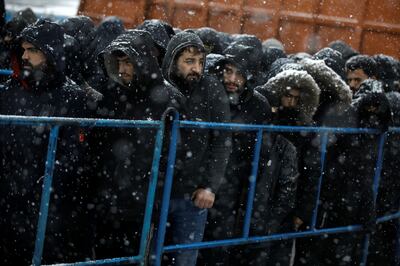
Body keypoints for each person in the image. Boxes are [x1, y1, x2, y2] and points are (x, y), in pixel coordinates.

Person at [0, 19, 91, 265]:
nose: (26, 55)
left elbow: (73, 152)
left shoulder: (71, 97)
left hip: (45, 200)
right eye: (24, 50)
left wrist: (46, 183)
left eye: (34, 50)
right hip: (8, 194)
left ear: (50, 53)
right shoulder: (8, 92)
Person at [87, 29, 183, 260]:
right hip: (107, 198)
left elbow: (177, 154)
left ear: (143, 61)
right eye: (118, 63)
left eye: (128, 62)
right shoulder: (113, 93)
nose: (122, 70)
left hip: (141, 201)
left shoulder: (169, 100)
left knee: (133, 256)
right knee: (104, 256)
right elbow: (98, 145)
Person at [160, 30, 231, 265]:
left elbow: (221, 141)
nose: (197, 69)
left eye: (201, 62)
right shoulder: (158, 87)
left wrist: (210, 186)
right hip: (155, 192)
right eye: (189, 61)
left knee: (185, 259)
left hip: (192, 196)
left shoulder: (211, 89)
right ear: (173, 60)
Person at [201, 43, 271, 265]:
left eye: (239, 74)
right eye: (228, 71)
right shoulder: (209, 93)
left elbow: (262, 152)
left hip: (233, 187)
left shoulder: (258, 105)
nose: (231, 79)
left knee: (217, 248)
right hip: (201, 178)